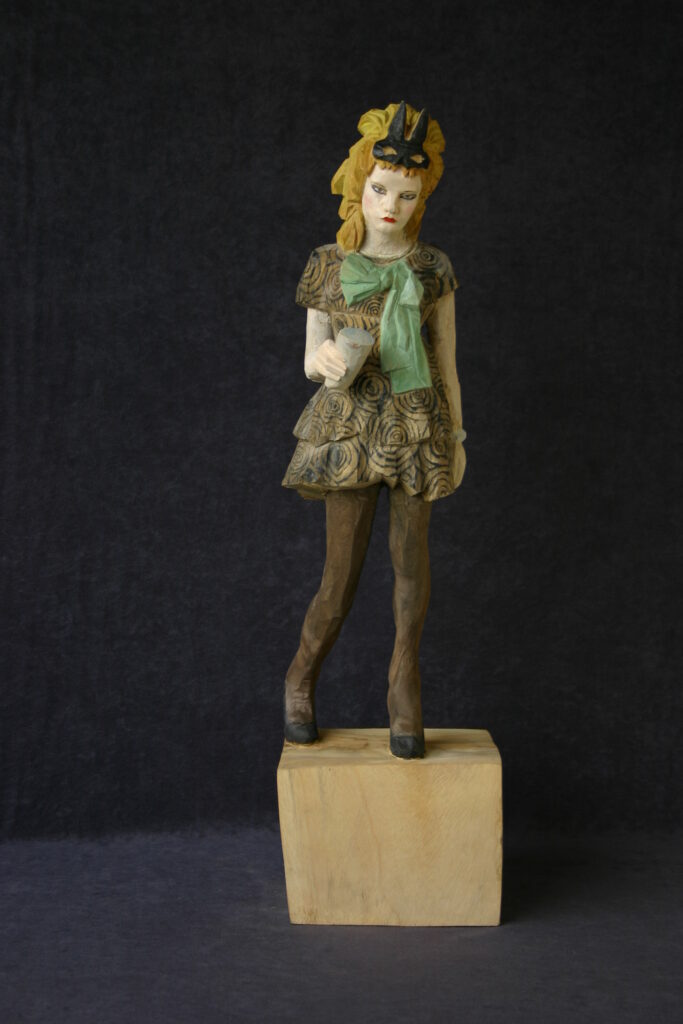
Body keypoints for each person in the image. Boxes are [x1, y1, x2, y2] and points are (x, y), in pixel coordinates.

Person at [282, 102, 466, 759]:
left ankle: (403, 689)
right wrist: (324, 360)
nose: (391, 206)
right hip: (351, 427)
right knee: (341, 575)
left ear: (422, 198)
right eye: (381, 189)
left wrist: (457, 437)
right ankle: (301, 677)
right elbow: (311, 355)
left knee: (411, 568)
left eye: (407, 195)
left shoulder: (432, 268)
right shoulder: (328, 263)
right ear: (359, 183)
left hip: (415, 425)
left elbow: (445, 360)